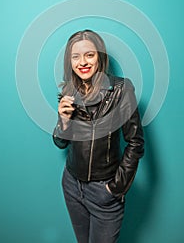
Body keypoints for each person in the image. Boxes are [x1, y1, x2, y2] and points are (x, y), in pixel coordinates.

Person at [52, 29, 144, 243]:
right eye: (76, 57)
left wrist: (115, 188)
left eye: (89, 55)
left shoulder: (121, 90)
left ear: (99, 57)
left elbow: (135, 142)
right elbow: (60, 142)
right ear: (70, 62)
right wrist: (63, 121)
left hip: (104, 190)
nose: (82, 62)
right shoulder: (69, 91)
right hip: (72, 185)